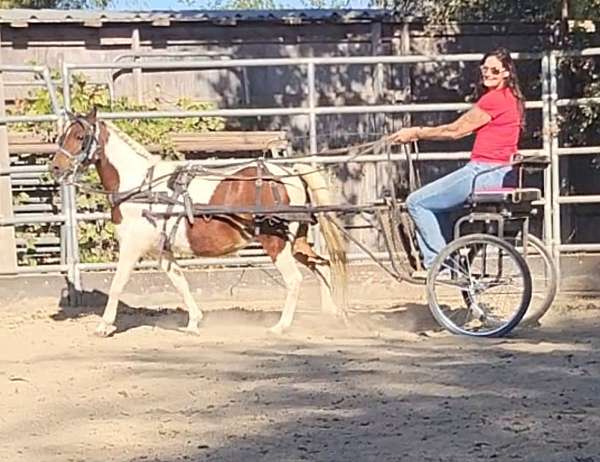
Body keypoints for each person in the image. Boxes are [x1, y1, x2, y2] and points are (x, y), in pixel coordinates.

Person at [389, 47, 525, 275]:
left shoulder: (494, 99)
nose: (488, 74)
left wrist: (416, 133)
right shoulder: (512, 100)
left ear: (506, 73)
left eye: (494, 70)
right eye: (485, 69)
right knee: (436, 206)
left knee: (416, 202)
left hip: (483, 172)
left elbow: (455, 130)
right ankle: (449, 260)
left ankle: (437, 266)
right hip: (500, 173)